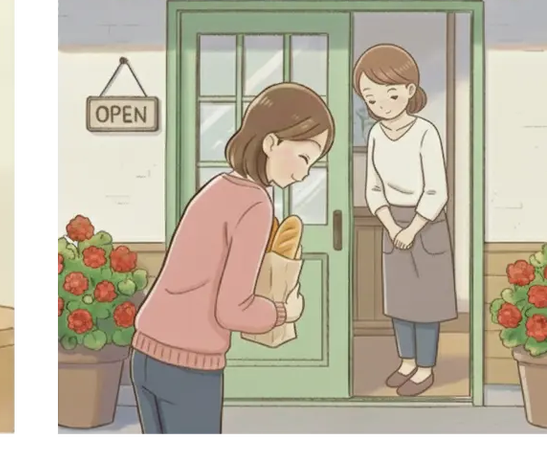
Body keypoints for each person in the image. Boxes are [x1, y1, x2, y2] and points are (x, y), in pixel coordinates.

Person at [130, 82, 333, 436]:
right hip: (188, 367)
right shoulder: (255, 204)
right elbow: (232, 310)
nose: (304, 174)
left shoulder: (217, 188)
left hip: (146, 354)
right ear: (272, 143)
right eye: (304, 157)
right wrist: (285, 311)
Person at [355, 44, 456, 397]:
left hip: (426, 224)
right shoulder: (375, 135)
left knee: (426, 302)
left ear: (410, 91)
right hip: (392, 223)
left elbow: (437, 189)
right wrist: (391, 224)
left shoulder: (425, 132)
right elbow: (373, 188)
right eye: (370, 97)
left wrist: (412, 228)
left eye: (390, 94)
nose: (380, 104)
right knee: (398, 300)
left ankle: (426, 367)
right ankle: (407, 362)